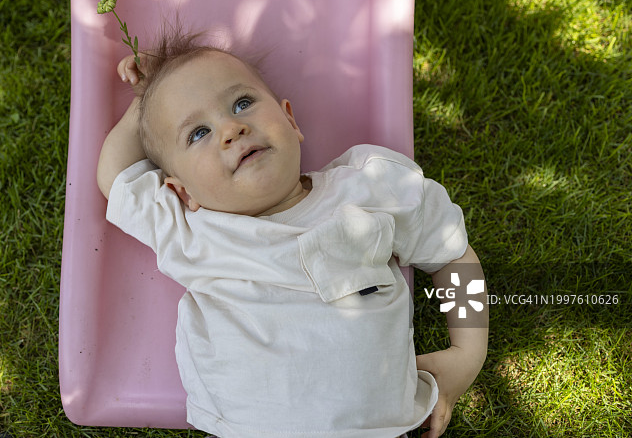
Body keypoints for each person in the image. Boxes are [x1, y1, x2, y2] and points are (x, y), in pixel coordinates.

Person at [97, 28, 488, 438]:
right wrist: (142, 98)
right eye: (198, 133)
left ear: (290, 119)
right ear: (182, 190)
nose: (231, 129)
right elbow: (115, 175)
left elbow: (451, 253)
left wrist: (467, 354)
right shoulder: (189, 227)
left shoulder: (368, 187)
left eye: (242, 103)